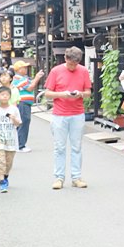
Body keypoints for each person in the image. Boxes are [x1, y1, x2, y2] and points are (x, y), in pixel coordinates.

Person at [43, 46, 92, 190]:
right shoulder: (56, 71)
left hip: (77, 113)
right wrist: (62, 94)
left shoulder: (83, 71)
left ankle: (76, 177)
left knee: (77, 147)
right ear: (65, 58)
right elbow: (47, 93)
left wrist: (80, 94)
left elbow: (88, 92)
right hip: (60, 114)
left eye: (75, 64)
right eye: (71, 64)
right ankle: (59, 178)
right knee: (59, 147)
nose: (73, 67)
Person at [11, 60, 45, 152]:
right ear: (19, 69)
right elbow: (30, 87)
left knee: (23, 122)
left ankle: (20, 144)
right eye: (24, 67)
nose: (26, 69)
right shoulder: (19, 79)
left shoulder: (22, 78)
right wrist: (37, 77)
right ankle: (21, 145)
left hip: (24, 103)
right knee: (23, 123)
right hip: (22, 103)